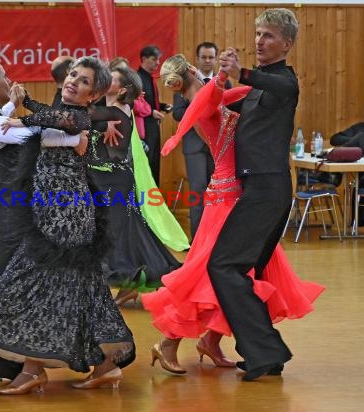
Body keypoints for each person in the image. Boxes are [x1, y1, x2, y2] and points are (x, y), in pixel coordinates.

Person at [0, 56, 135, 396]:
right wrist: (38, 116)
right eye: (72, 75)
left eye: (82, 80)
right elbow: (38, 133)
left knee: (31, 289)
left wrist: (25, 107)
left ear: (94, 93)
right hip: (29, 217)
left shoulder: (70, 115)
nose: (72, 81)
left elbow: (49, 126)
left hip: (61, 213)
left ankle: (27, 368)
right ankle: (82, 365)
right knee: (53, 287)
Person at [142, 54, 324, 376]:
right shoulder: (203, 101)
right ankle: (167, 342)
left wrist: (250, 80)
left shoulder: (213, 97)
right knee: (206, 273)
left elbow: (246, 95)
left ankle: (211, 341)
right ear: (191, 74)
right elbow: (220, 95)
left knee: (241, 276)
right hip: (224, 197)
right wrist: (225, 77)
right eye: (198, 71)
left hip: (240, 193)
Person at [207, 8, 303, 381]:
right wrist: (192, 83)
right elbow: (214, 101)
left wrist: (241, 72)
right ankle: (267, 352)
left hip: (268, 187)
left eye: (268, 35)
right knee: (244, 269)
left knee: (223, 265)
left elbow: (274, 84)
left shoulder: (284, 83)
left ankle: (265, 351)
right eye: (258, 34)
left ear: (287, 43)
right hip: (259, 187)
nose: (260, 41)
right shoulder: (255, 88)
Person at [85, 66, 182, 304]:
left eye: (113, 79)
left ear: (123, 89)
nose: (106, 79)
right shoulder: (109, 109)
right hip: (107, 180)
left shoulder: (117, 110)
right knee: (129, 232)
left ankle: (129, 281)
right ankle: (132, 283)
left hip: (113, 182)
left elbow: (80, 113)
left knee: (115, 233)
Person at [172, 42, 231, 240]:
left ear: (215, 59)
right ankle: (198, 239)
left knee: (218, 192)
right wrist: (198, 105)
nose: (207, 61)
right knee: (197, 192)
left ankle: (216, 237)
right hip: (194, 146)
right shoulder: (185, 82)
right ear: (197, 59)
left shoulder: (224, 81)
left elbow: (229, 111)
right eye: (203, 57)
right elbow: (177, 114)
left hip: (218, 147)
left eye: (210, 57)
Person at [137, 45, 172, 185]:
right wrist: (151, 112)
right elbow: (135, 103)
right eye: (154, 59)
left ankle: (153, 199)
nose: (158, 63)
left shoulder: (149, 78)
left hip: (153, 127)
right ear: (144, 59)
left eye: (158, 60)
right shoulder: (138, 78)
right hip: (144, 129)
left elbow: (149, 101)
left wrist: (163, 106)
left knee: (154, 163)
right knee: (148, 162)